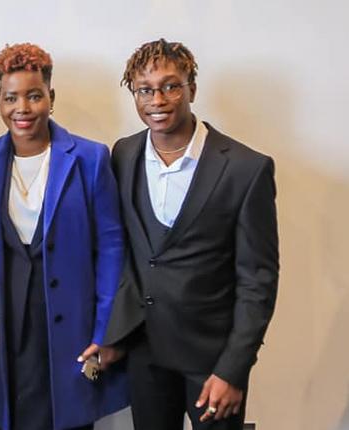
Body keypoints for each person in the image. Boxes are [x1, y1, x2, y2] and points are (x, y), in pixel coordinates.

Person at [103, 39, 280, 430]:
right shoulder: (123, 154)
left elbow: (258, 281)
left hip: (212, 361)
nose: (158, 99)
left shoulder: (245, 169)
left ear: (192, 89)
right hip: (145, 353)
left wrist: (234, 369)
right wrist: (112, 333)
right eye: (145, 90)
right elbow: (128, 255)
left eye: (171, 86)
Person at [0, 43, 128, 430]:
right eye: (11, 98)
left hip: (71, 325)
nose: (22, 108)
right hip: (7, 326)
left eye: (34, 96)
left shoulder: (90, 159)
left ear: (50, 98)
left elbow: (110, 250)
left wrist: (107, 331)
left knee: (68, 420)